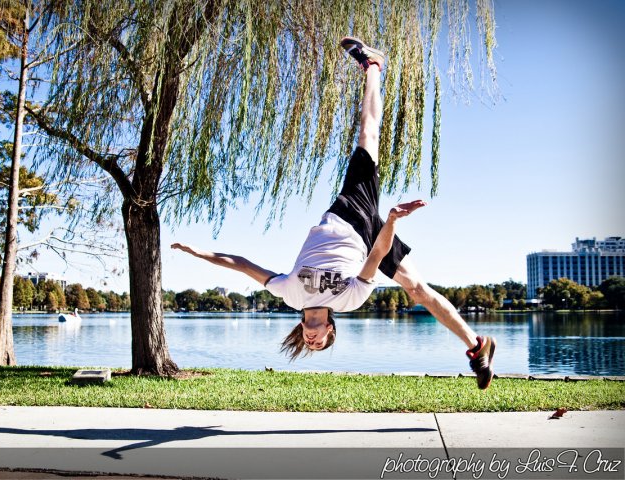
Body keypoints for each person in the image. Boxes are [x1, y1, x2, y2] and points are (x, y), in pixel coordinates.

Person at [172, 37, 496, 389]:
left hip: (347, 215)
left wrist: (198, 253)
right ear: (329, 328)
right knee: (416, 288)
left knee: (368, 138)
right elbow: (375, 256)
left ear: (302, 329)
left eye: (309, 344)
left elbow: (242, 265)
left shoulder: (288, 293)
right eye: (322, 342)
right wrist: (389, 220)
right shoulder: (349, 302)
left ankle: (372, 66)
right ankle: (477, 347)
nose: (313, 342)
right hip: (368, 226)